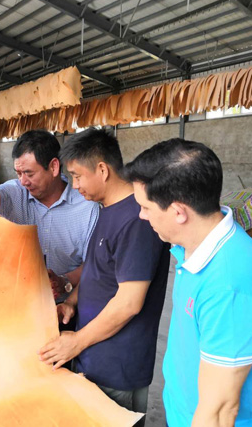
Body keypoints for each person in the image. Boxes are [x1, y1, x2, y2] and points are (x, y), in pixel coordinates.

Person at [125, 138, 252, 427]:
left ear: (178, 212)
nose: (141, 215)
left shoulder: (229, 285)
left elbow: (219, 411)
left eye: (145, 207)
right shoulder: (194, 248)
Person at [37, 128, 170, 426]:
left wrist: (77, 342)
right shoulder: (107, 210)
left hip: (117, 365)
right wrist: (71, 302)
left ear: (102, 169)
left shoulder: (137, 218)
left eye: (77, 176)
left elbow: (129, 302)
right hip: (94, 356)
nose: (75, 185)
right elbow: (97, 270)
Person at [0, 130, 99, 303]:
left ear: (54, 167)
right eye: (18, 173)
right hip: (17, 303)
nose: (23, 181)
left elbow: (94, 264)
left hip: (65, 306)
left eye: (29, 174)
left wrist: (65, 281)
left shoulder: (87, 207)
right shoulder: (16, 193)